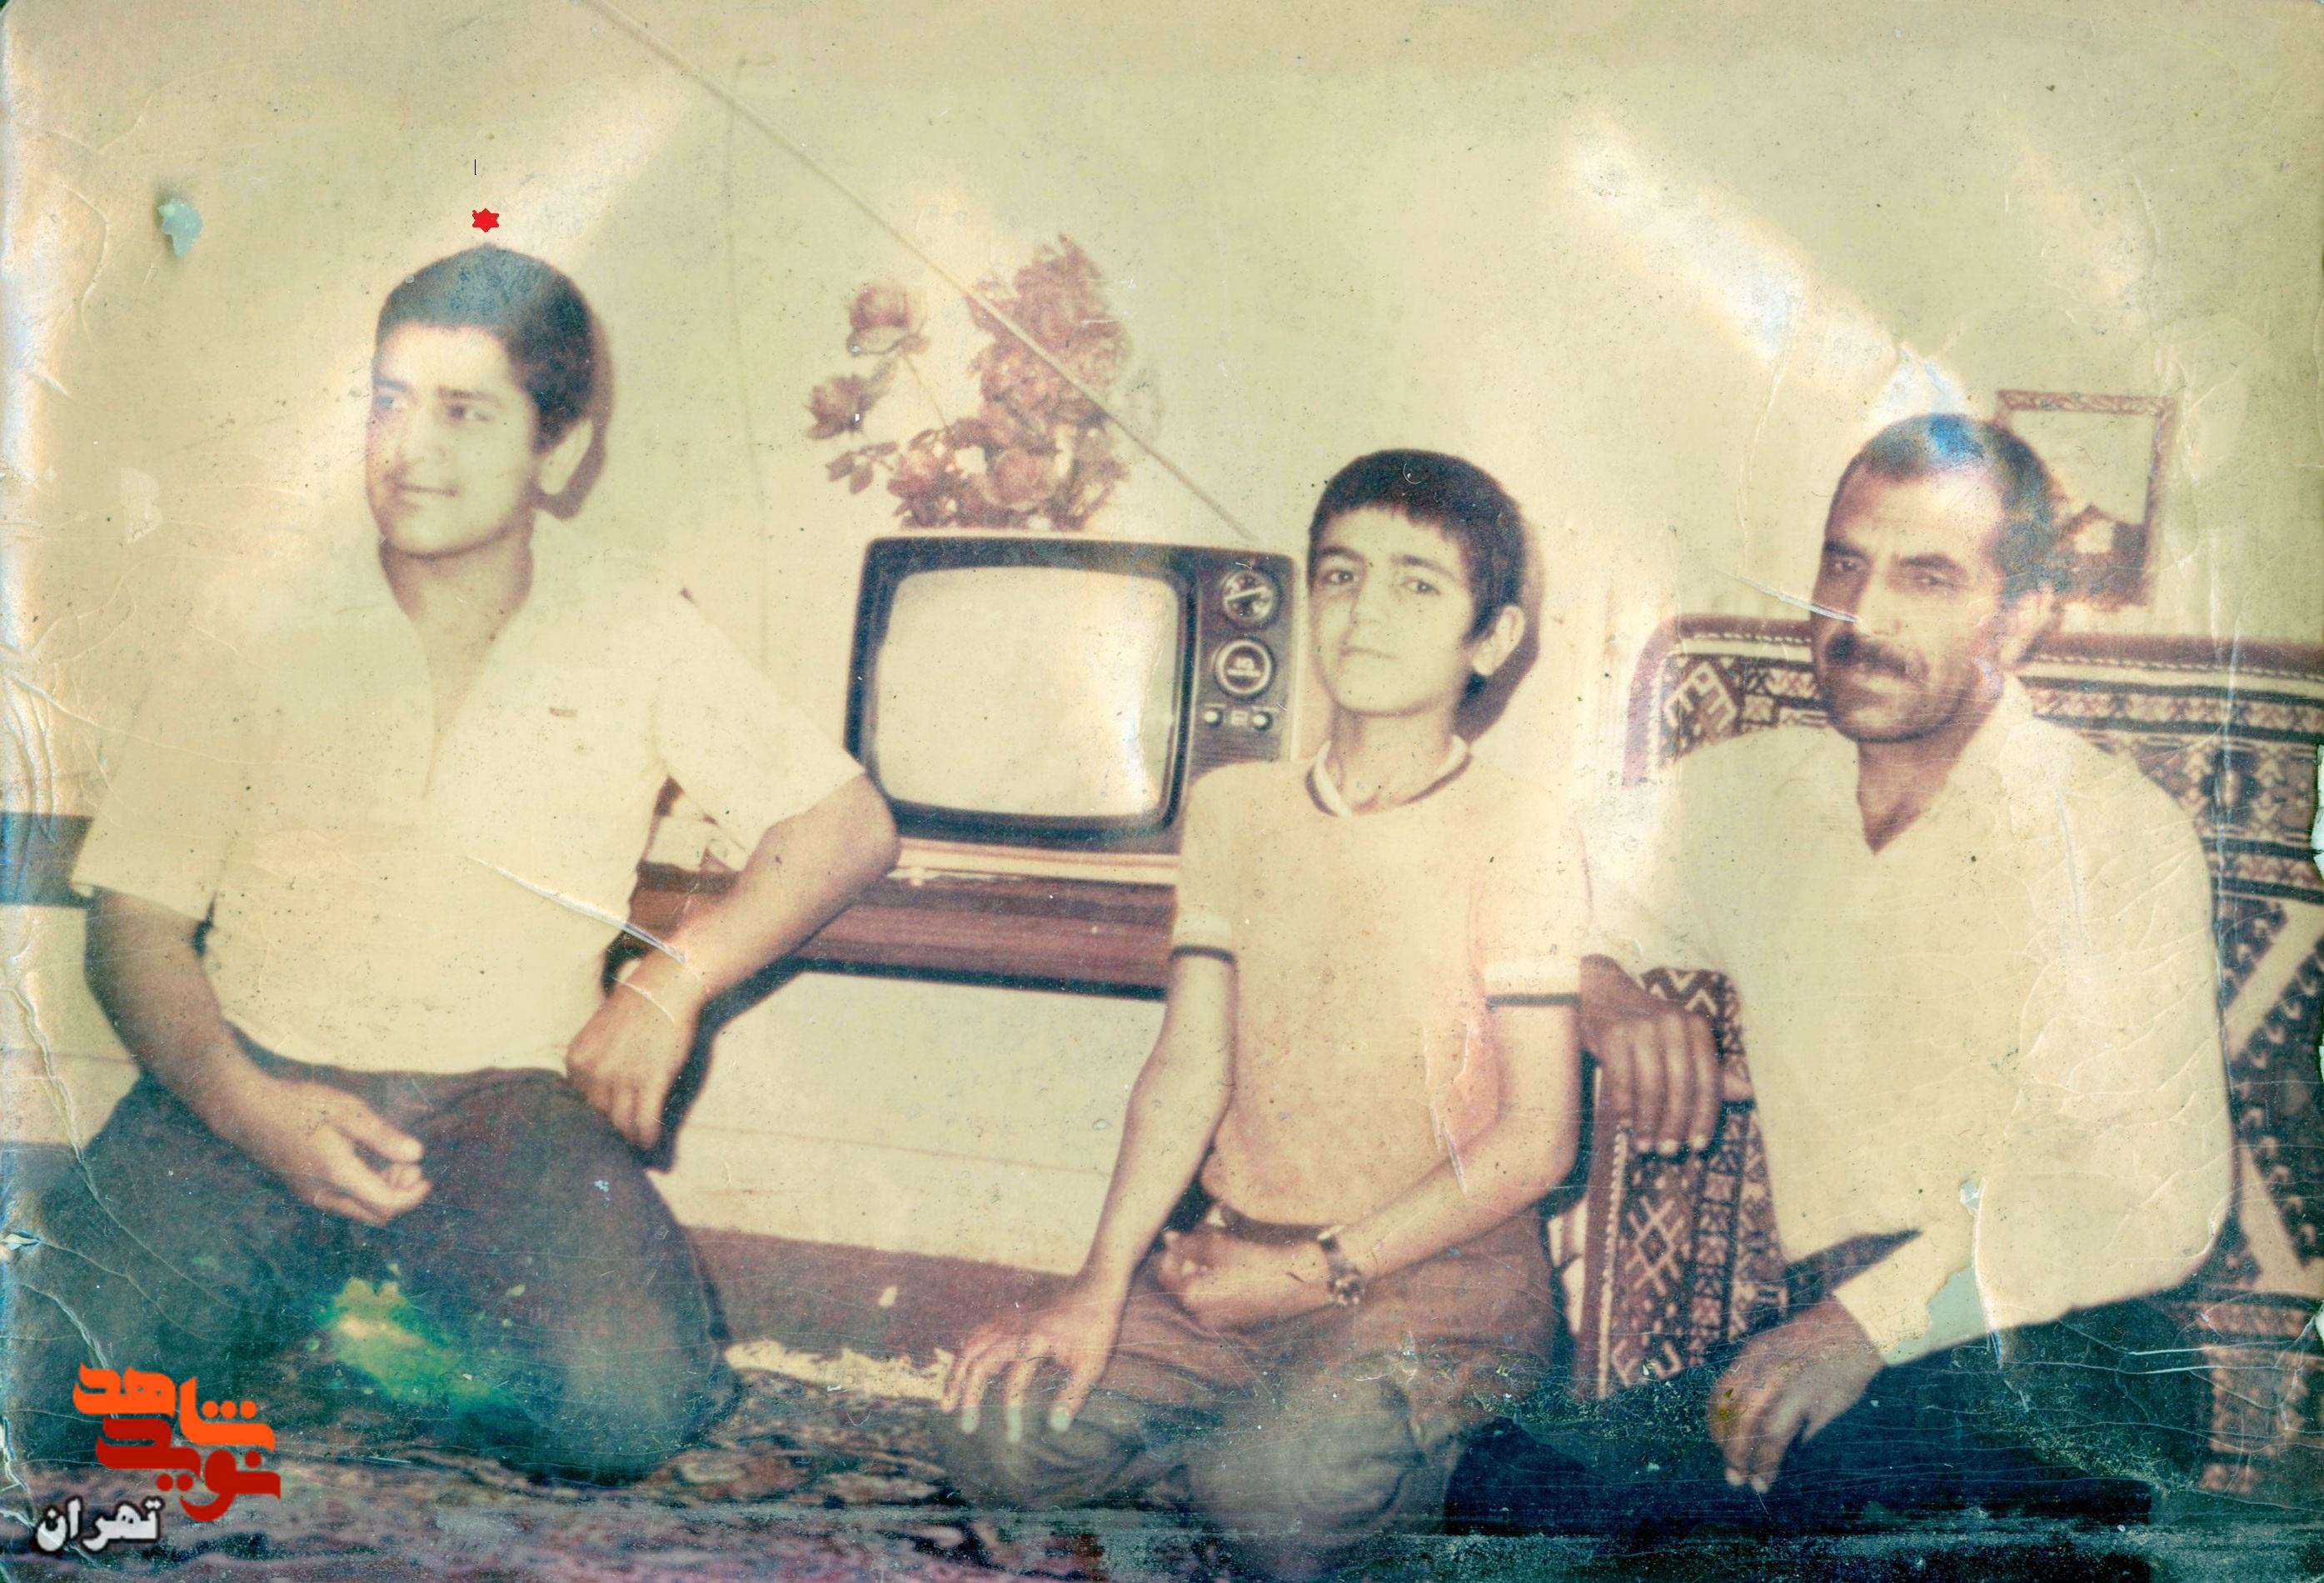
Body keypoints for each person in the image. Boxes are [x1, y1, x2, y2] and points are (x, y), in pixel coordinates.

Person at [1, 246, 900, 1481]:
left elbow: (846, 827)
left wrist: (669, 983)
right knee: (38, 1390)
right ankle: (311, 1298)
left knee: (623, 1414)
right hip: (248, 1084)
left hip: (506, 1112)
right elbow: (132, 924)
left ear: (558, 452)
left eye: (464, 412)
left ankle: (367, 1321)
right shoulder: (257, 616)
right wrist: (246, 1108)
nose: (408, 448)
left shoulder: (634, 620)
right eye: (388, 401)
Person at [1553, 412, 2231, 1517]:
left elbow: (2157, 1199)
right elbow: (1517, 886)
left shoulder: (2110, 832)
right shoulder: (1748, 796)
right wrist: (1602, 994)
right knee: (1516, 1486)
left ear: (2021, 617)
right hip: (1842, 1359)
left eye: (1926, 577)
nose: (1861, 616)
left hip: (2062, 1361)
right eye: (1843, 564)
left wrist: (1864, 1325)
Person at [938, 450, 1588, 1578]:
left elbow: (1538, 1141)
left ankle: (1424, 1457)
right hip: (1239, 1256)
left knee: (1274, 1503)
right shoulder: (1237, 807)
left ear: (1491, 638)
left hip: (1443, 1282)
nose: (1365, 612)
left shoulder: (1519, 826)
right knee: (992, 1432)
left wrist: (1312, 1275)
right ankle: (1263, 1441)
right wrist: (1098, 1285)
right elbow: (1188, 1067)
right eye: (1340, 575)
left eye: (1416, 585)